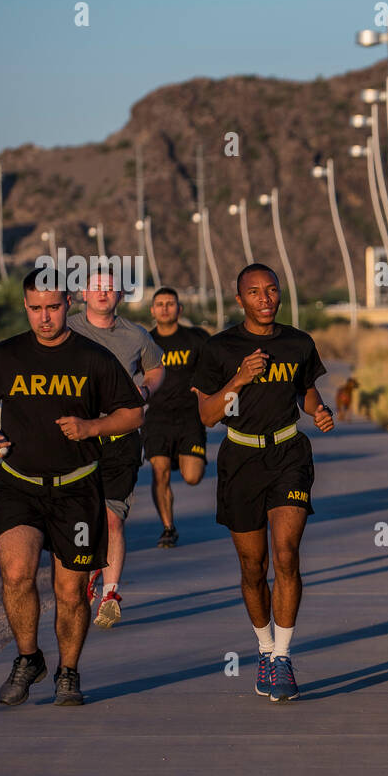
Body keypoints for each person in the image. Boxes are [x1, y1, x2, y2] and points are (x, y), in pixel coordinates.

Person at [0, 268, 145, 706]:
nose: (45, 317)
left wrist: (92, 426)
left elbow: (133, 414)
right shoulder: (3, 356)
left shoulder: (93, 358)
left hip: (77, 490)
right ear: (25, 307)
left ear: (69, 305)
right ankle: (28, 658)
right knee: (17, 574)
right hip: (18, 485)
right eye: (36, 309)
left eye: (54, 307)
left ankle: (68, 671)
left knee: (70, 590)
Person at [192, 263, 334, 702]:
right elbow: (207, 416)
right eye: (254, 292)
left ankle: (284, 658)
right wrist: (239, 377)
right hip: (239, 457)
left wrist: (318, 409)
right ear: (240, 300)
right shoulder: (220, 349)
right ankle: (264, 649)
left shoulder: (298, 342)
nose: (265, 299)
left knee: (286, 554)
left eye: (271, 290)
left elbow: (305, 389)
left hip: (289, 453)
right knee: (254, 569)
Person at [67, 270, 165, 628]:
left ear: (121, 294)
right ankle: (89, 572)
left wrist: (147, 391)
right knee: (80, 520)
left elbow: (156, 369)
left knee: (111, 519)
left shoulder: (136, 335)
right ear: (82, 293)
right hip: (77, 438)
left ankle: (109, 594)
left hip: (122, 438)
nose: (103, 292)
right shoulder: (69, 329)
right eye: (96, 287)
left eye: (110, 287)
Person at [144, 287, 210, 547]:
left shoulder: (196, 339)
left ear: (179, 309)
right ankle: (168, 528)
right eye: (159, 304)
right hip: (157, 417)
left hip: (189, 417)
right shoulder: (145, 342)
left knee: (193, 477)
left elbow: (215, 366)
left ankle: (178, 458)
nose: (165, 308)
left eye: (170, 303)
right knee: (159, 472)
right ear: (152, 310)